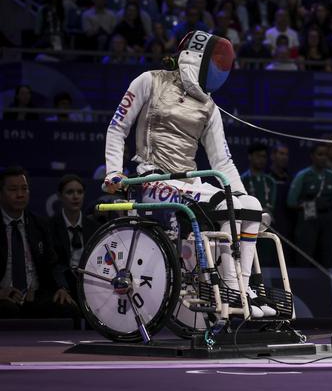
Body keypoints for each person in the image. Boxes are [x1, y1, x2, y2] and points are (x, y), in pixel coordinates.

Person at [103, 30, 275, 318]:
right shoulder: (150, 81)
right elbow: (117, 127)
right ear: (198, 60)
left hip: (190, 185)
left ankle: (242, 290)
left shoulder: (209, 107)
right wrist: (113, 172)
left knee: (250, 206)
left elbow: (223, 161)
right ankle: (232, 289)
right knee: (231, 207)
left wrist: (241, 195)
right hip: (153, 179)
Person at [0, 167, 74, 318]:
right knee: (8, 310)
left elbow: (53, 264)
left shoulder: (39, 224)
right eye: (13, 189)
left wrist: (61, 288)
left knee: (69, 308)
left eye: (24, 189)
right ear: (0, 193)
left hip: (35, 295)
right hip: (4, 296)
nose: (20, 194)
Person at [287, 144, 332, 268]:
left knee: (326, 254)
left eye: (326, 155)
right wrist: (311, 206)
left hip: (326, 218)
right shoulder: (303, 175)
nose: (323, 158)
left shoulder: (331, 176)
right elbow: (291, 202)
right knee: (305, 254)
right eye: (320, 154)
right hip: (308, 216)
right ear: (312, 156)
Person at [49, 174, 100, 298]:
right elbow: (52, 265)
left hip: (91, 284)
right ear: (60, 196)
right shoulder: (49, 226)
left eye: (80, 192)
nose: (76, 196)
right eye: (70, 192)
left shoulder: (94, 227)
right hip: (63, 286)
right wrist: (61, 286)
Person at [240, 143, 277, 217]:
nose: (261, 159)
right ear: (250, 156)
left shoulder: (270, 181)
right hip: (248, 219)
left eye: (264, 156)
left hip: (267, 221)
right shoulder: (242, 180)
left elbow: (272, 205)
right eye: (258, 156)